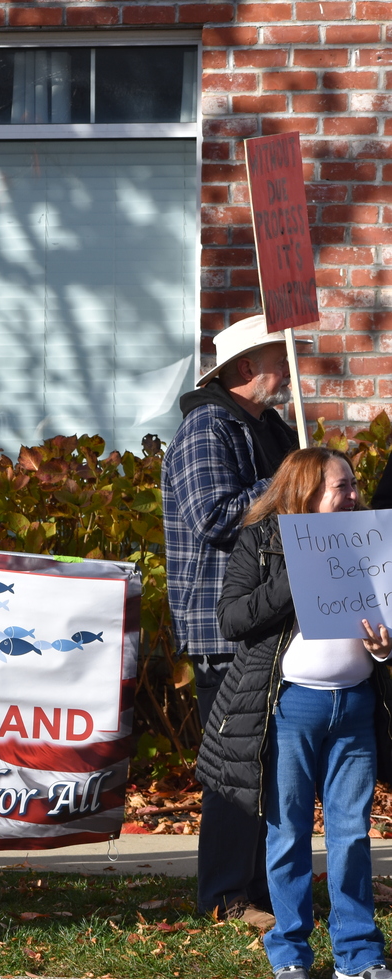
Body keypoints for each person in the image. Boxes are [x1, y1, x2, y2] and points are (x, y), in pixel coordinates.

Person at [198, 448, 392, 979]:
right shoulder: (262, 540)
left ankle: (358, 953)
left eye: (353, 484)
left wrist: (384, 650)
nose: (353, 495)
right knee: (287, 834)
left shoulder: (370, 541)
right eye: (341, 486)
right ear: (306, 489)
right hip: (290, 709)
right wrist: (297, 577)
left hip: (355, 706)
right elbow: (233, 618)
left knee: (351, 835)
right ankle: (290, 953)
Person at [161, 314, 305, 926]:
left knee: (272, 761)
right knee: (234, 763)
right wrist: (291, 484)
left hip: (276, 621)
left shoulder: (272, 428)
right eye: (278, 358)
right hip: (224, 628)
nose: (288, 370)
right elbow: (215, 516)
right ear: (246, 368)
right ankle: (225, 895)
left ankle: (264, 888)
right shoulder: (206, 429)